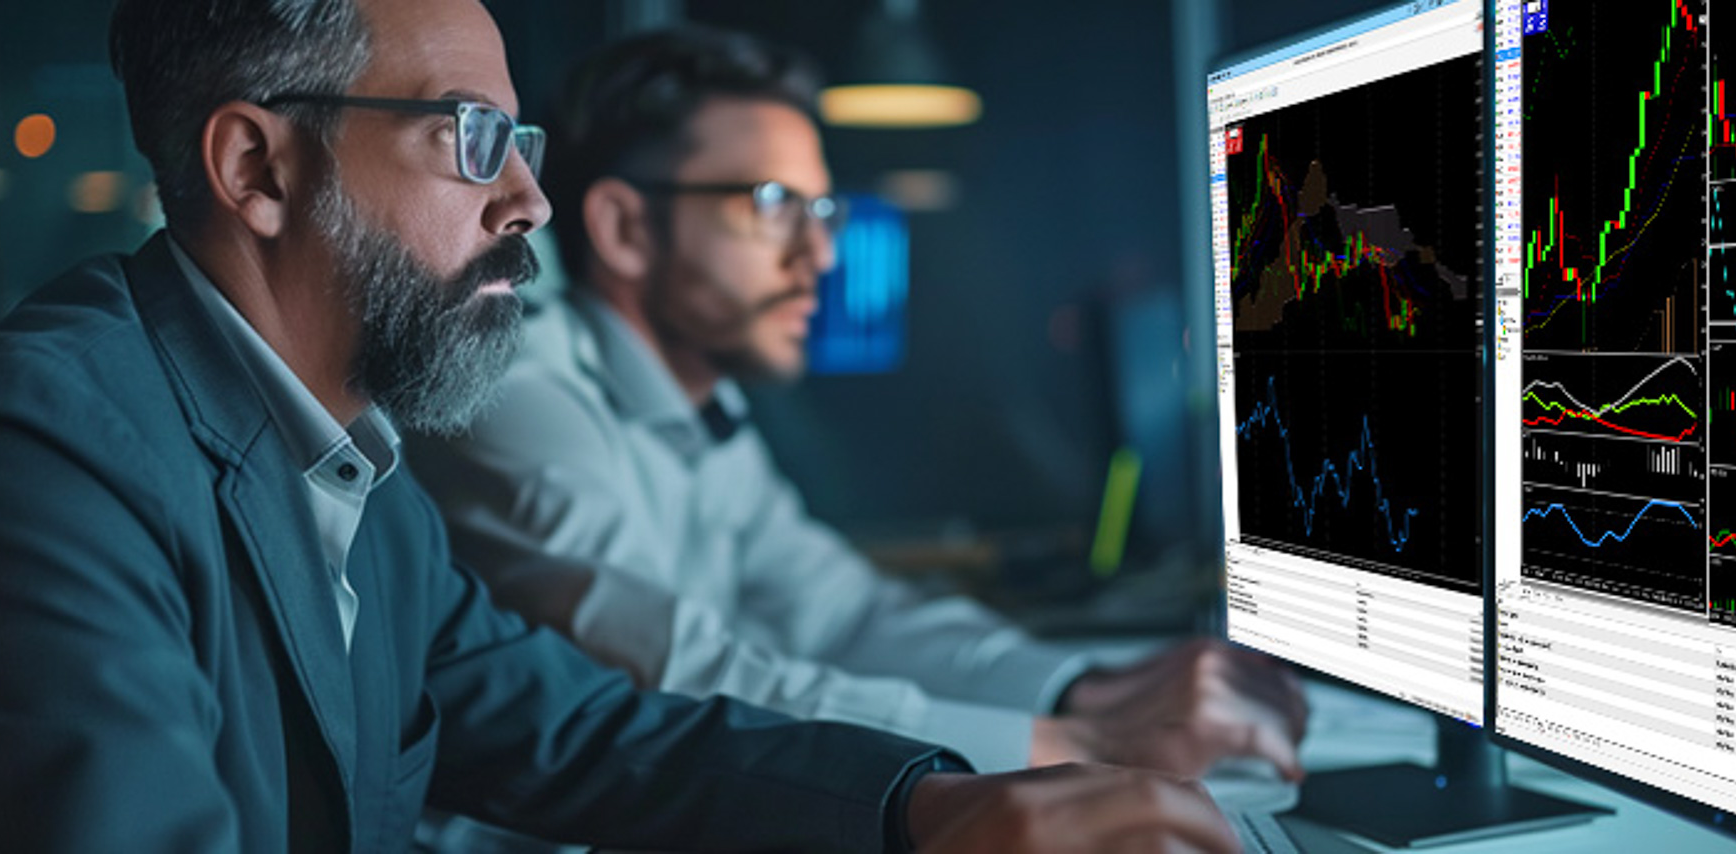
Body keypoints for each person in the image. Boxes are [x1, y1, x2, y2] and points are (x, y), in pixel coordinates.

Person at [0, 0, 1244, 851]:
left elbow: (590, 733)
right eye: (469, 139)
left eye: (522, 143)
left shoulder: (355, 466)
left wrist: (922, 808)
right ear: (256, 165)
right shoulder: (31, 471)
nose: (531, 205)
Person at [407, 23, 1307, 786]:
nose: (823, 258)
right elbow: (672, 677)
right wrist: (1071, 749)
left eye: (823, 210)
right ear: (623, 229)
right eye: (772, 205)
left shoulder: (695, 401)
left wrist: (1083, 688)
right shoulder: (515, 384)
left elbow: (837, 611)